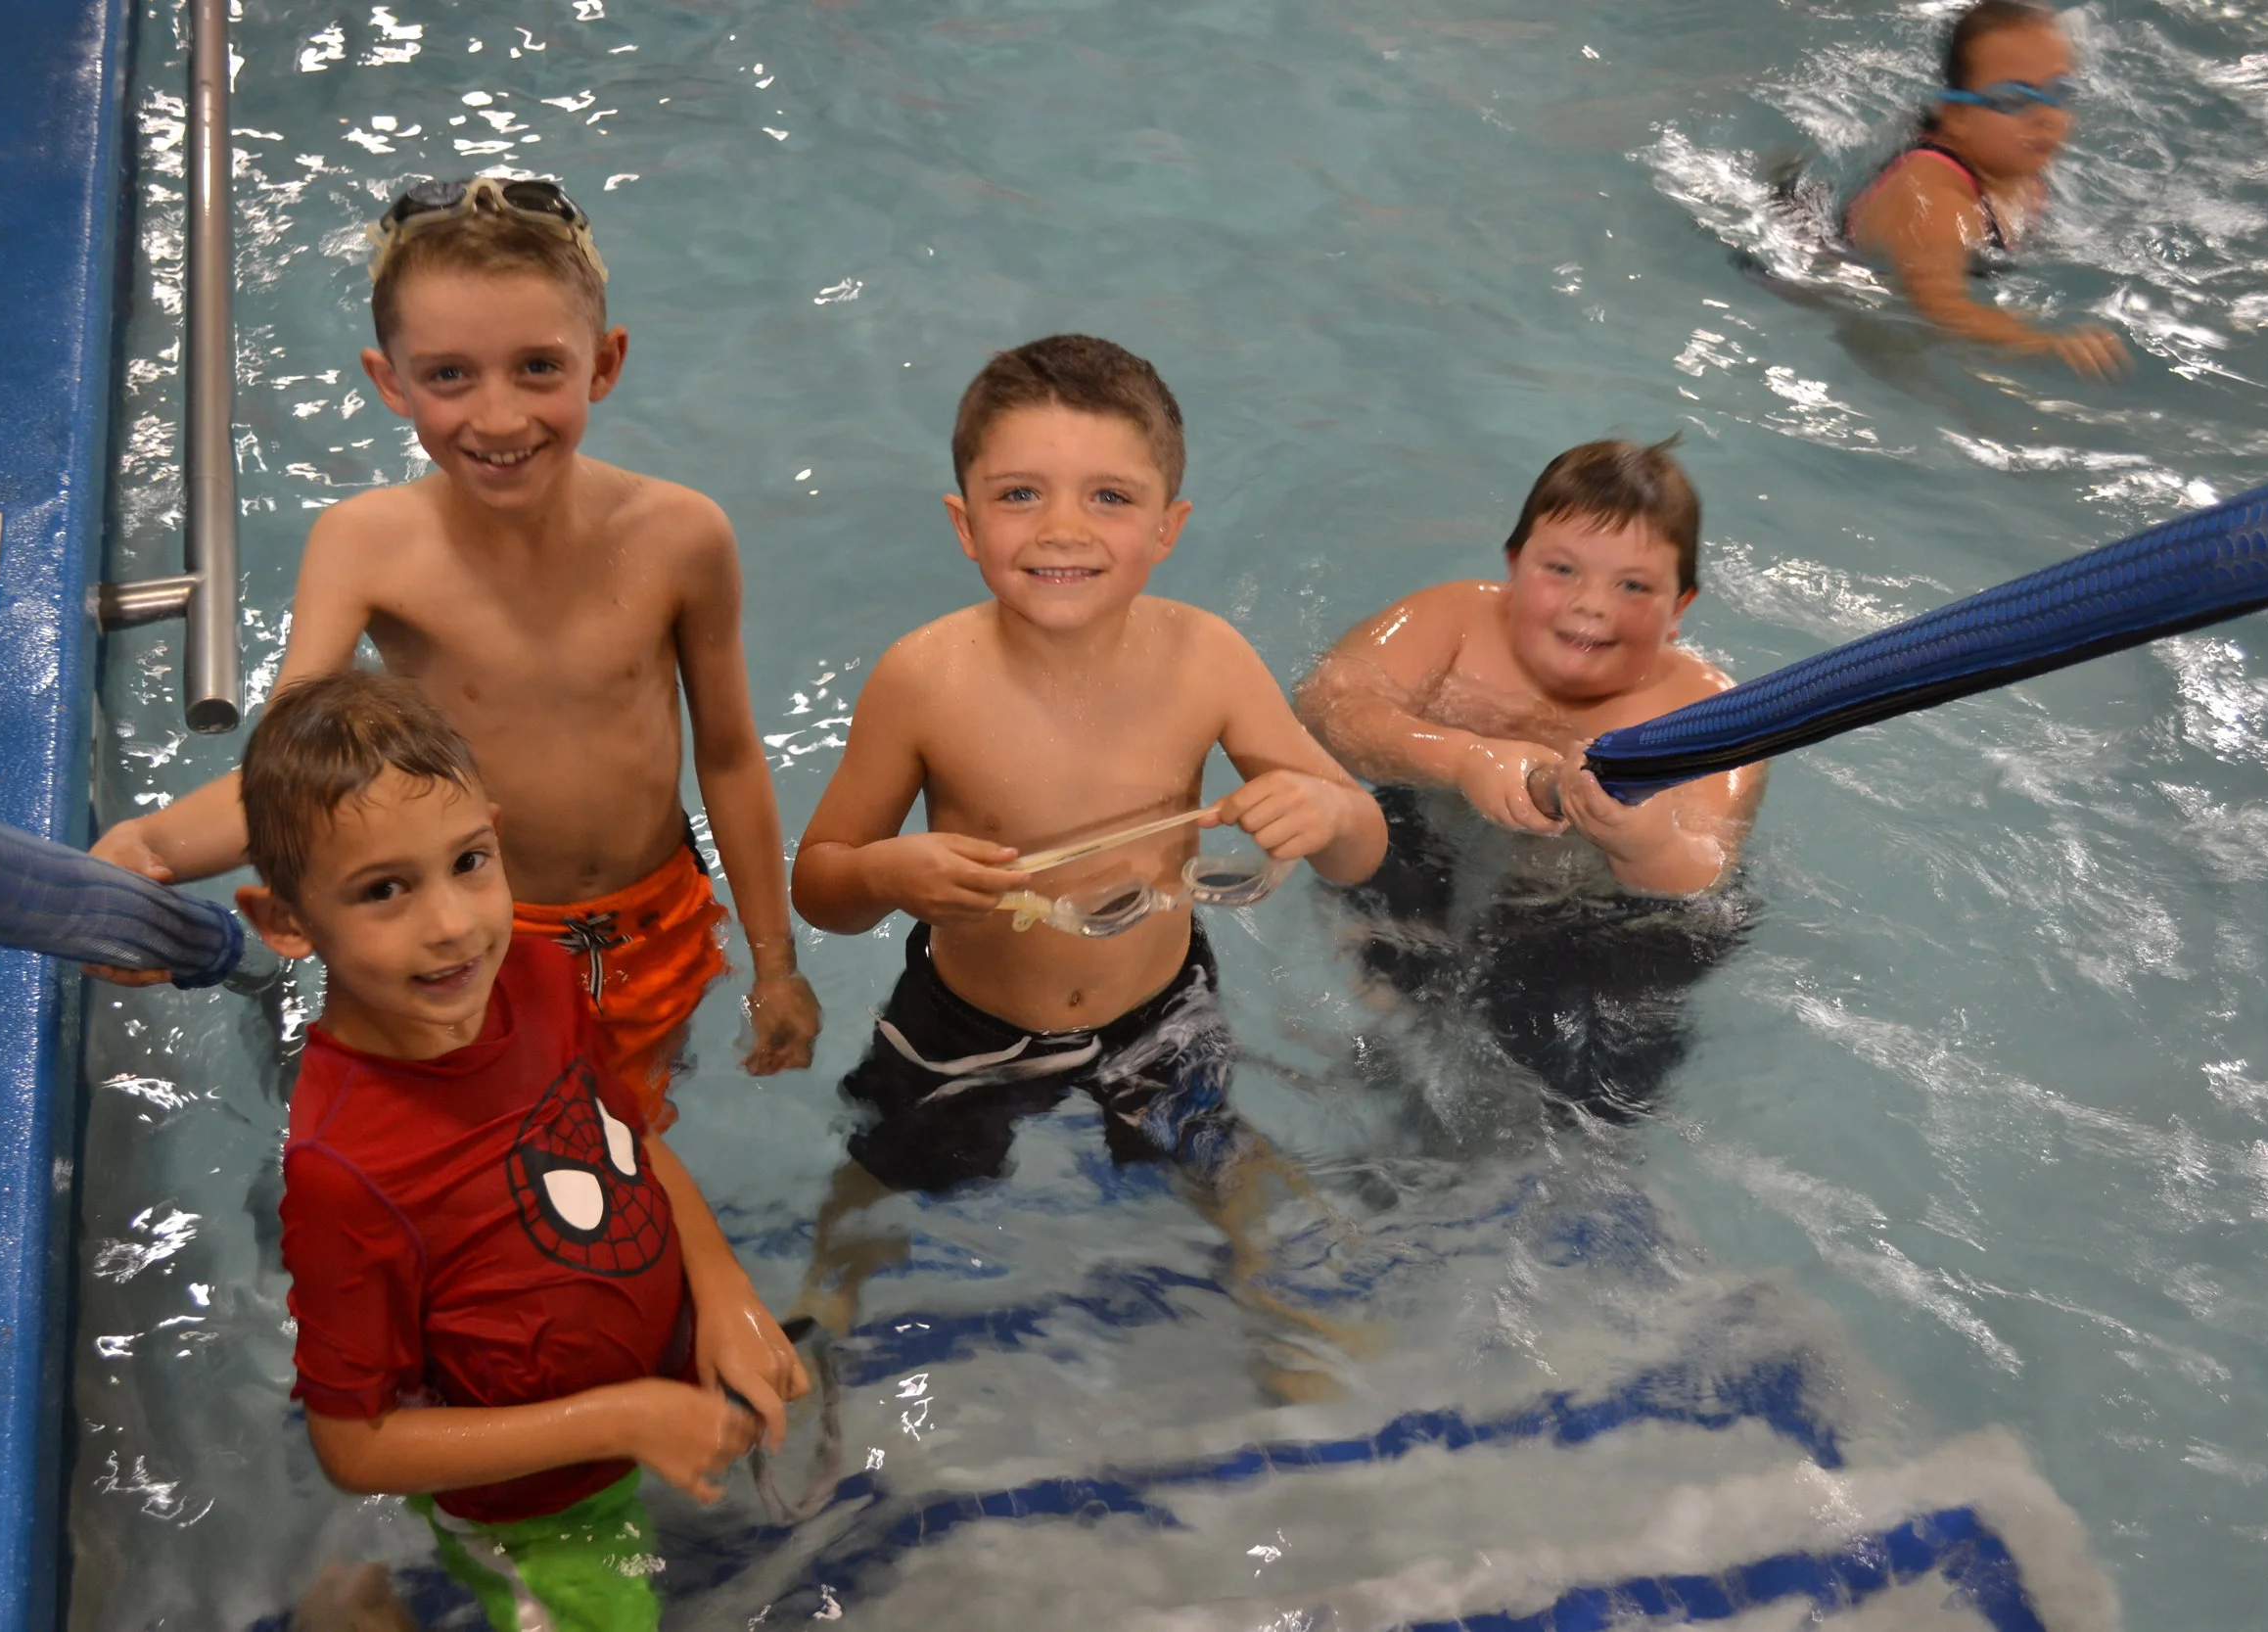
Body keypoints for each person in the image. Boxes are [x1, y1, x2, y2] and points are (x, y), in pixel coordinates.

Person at [91, 176, 818, 1127]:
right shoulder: (366, 545)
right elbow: (295, 773)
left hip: (653, 922)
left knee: (627, 1131)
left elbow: (728, 754)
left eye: (538, 367)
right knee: (481, 1144)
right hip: (459, 936)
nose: (500, 417)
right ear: (389, 380)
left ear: (604, 363)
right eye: (448, 376)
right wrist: (149, 847)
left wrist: (775, 961)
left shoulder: (682, 535)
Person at [786, 334, 1387, 1362]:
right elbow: (822, 883)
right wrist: (888, 872)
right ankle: (828, 1286)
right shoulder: (924, 679)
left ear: (1167, 526)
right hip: (965, 1017)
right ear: (964, 522)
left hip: (1159, 1004)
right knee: (888, 1163)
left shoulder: (1207, 660)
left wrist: (1325, 814)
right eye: (1019, 494)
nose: (1062, 528)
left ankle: (1266, 1281)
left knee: (1205, 1146)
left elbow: (1361, 848)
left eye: (1109, 497)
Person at [235, 671, 808, 1632]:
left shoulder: (537, 974)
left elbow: (627, 1140)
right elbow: (355, 1444)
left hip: (647, 1401)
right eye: (384, 889)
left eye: (469, 861)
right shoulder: (344, 1169)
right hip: (533, 1509)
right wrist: (620, 1417)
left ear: (498, 836)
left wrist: (723, 1291)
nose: (453, 923)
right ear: (286, 920)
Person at [1294, 440, 1762, 1123]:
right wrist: (1462, 758)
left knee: (1587, 1052)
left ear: (1680, 605)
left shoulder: (1708, 711)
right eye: (1561, 569)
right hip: (1439, 835)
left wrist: (1644, 840)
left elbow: (1705, 870)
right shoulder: (1453, 621)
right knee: (1385, 949)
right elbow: (1330, 704)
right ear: (1515, 565)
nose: (1591, 605)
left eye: (1634, 586)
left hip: (1599, 910)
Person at [1843, 0, 2126, 379]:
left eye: (2059, 92)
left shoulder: (2017, 165)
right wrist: (2044, 344)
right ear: (1956, 116)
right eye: (2014, 99)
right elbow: (1942, 310)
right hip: (1834, 279)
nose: (2045, 116)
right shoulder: (1938, 207)